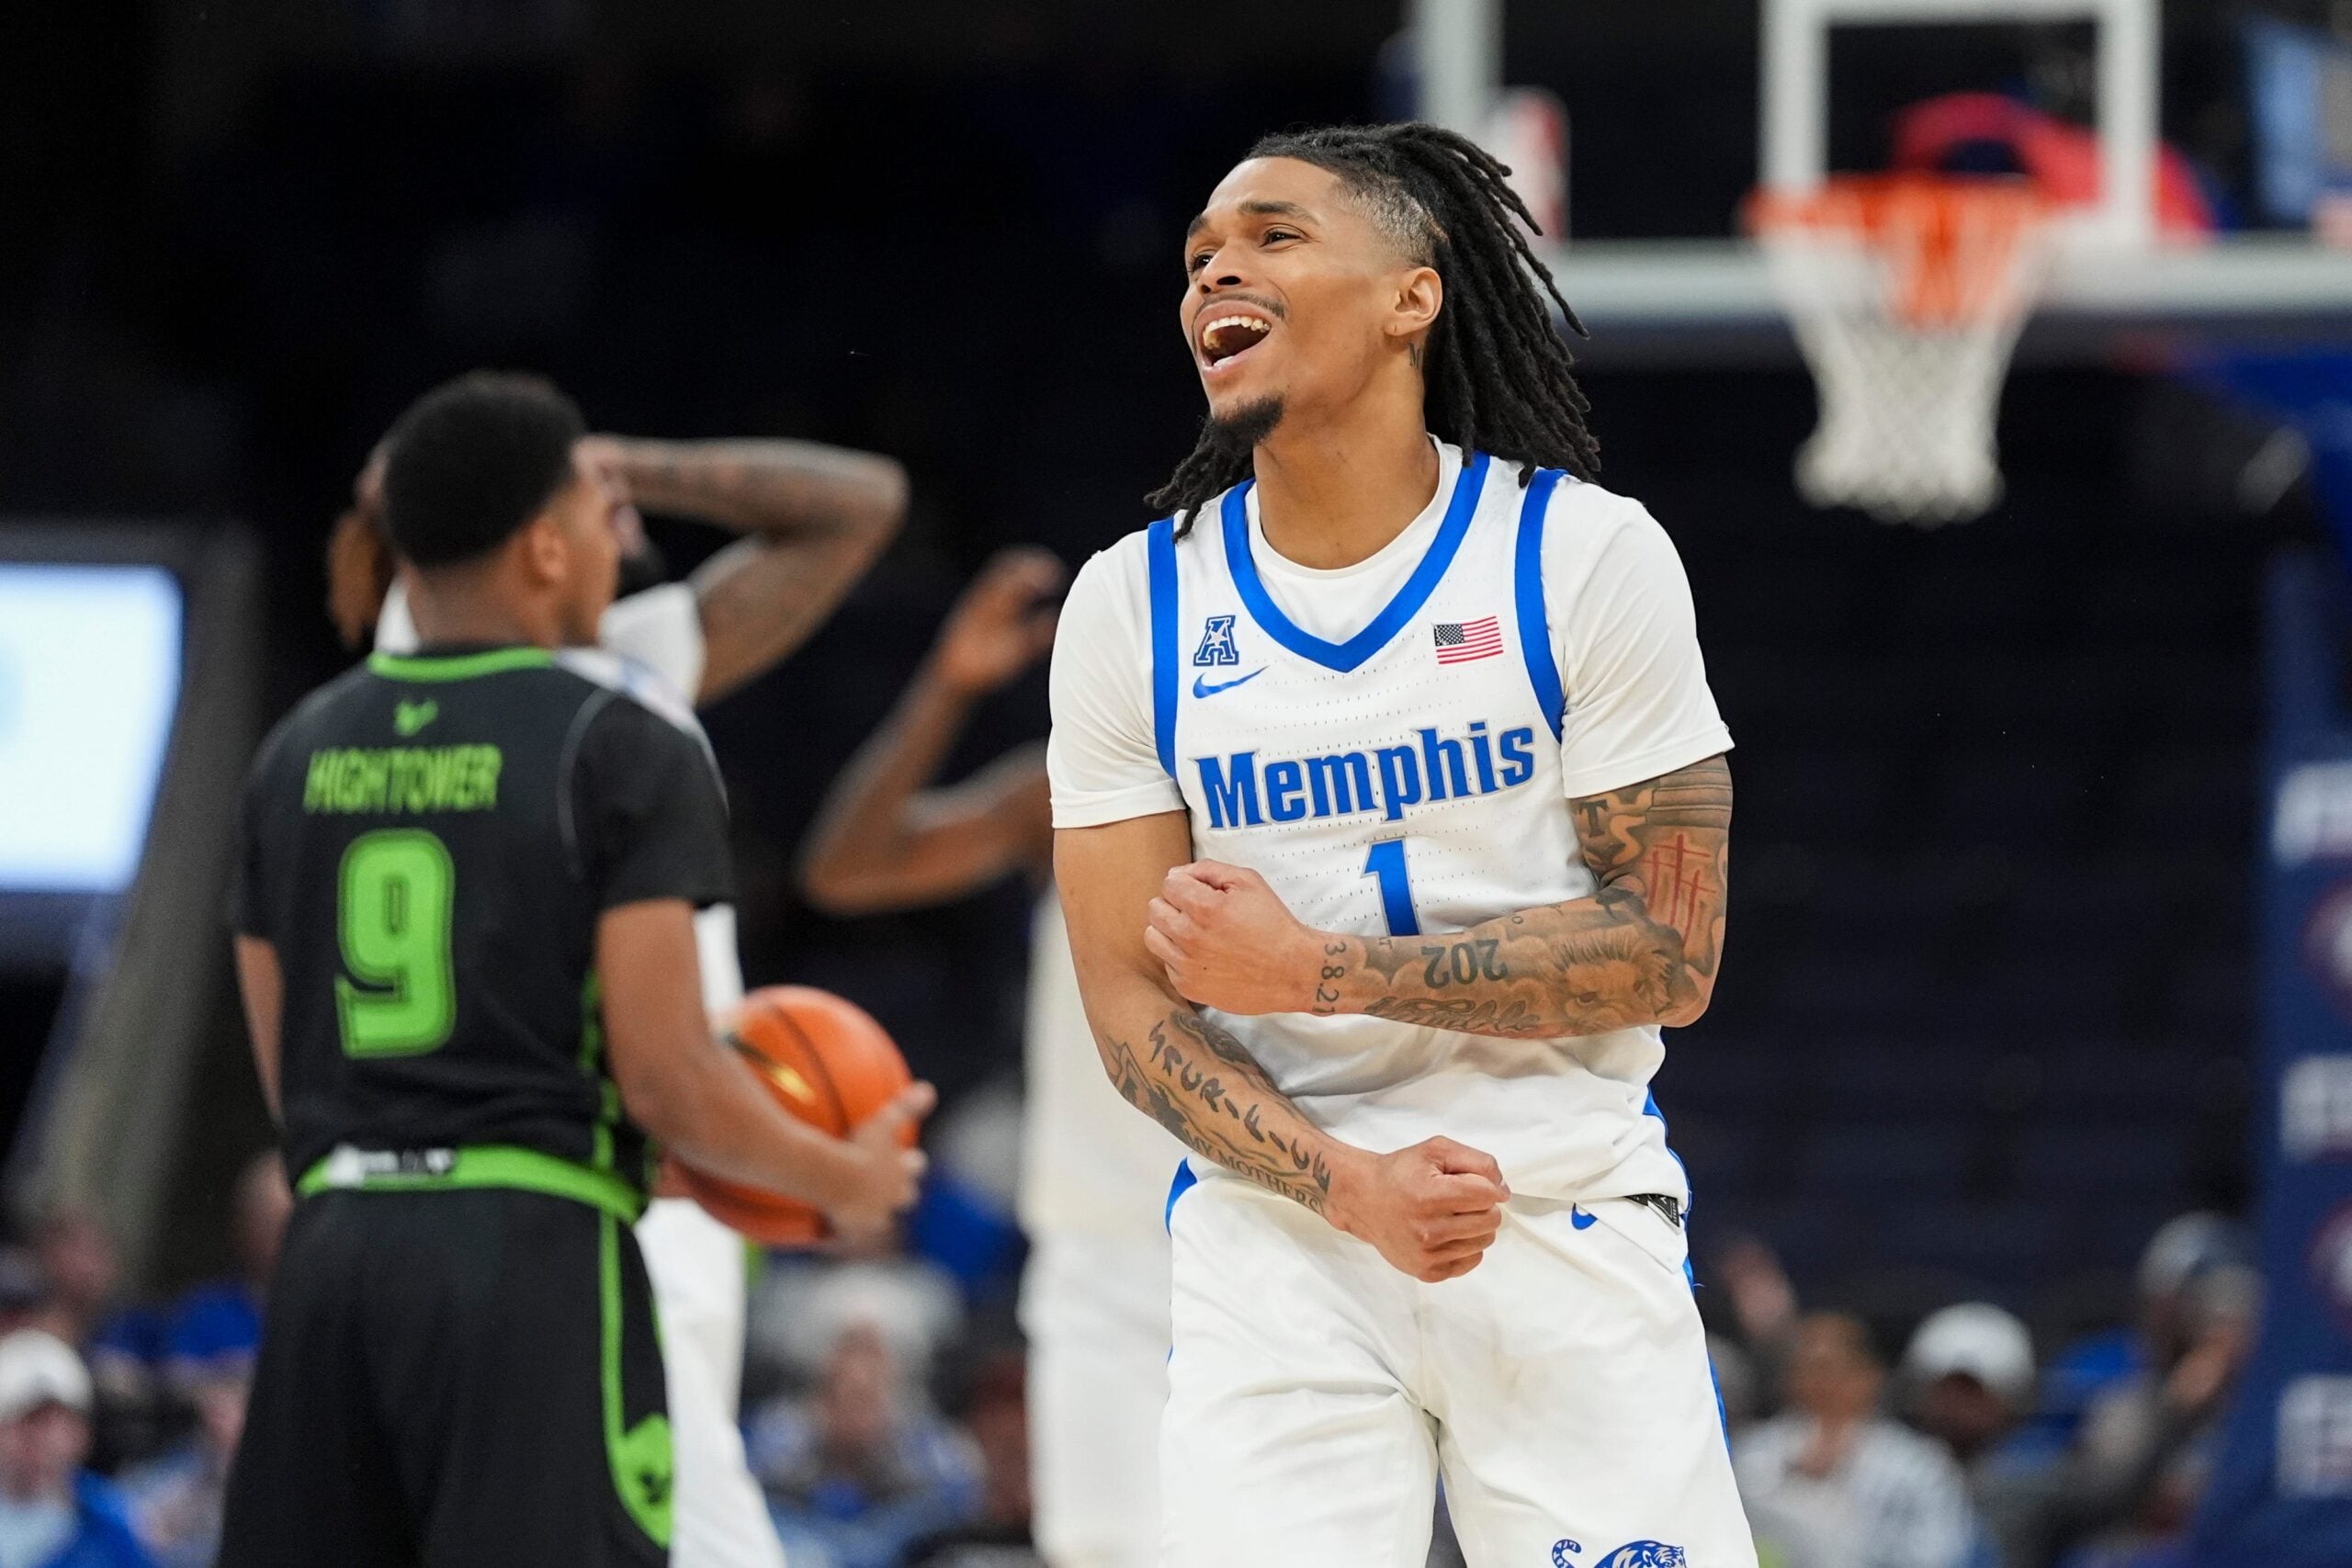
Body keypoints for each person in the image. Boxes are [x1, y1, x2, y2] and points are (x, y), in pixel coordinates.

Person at [1048, 120, 1747, 1564]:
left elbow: (1672, 952)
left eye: (1273, 236)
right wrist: (1349, 1185)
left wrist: (1320, 968)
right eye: (1198, 256)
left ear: (1410, 296)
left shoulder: (1582, 555)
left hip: (1560, 1204)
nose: (1214, 273)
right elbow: (1129, 1011)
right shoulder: (1132, 605)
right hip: (1279, 1230)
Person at [220, 370, 930, 1566]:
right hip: (534, 1245)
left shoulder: (296, 748)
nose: (622, 536)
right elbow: (664, 1077)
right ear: (545, 545)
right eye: (602, 511)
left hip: (337, 1247)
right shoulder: (619, 736)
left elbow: (295, 1085)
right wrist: (835, 1176)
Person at [798, 546, 1187, 1568]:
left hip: (1276, 1232)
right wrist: (947, 686)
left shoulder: (1315, 789)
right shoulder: (1062, 794)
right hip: (1104, 1255)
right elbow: (846, 868)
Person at [1736, 1314, 1979, 1568]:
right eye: (1808, 1368)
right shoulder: (1754, 1450)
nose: (1823, 1383)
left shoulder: (1918, 1464)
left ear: (1871, 1375)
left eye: (1832, 1369)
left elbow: (1940, 1554)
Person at [747, 1321, 983, 1568]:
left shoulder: (929, 1450)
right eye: (840, 1394)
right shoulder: (777, 1440)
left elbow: (962, 1497)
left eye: (866, 1397)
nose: (853, 1413)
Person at [0, 1329, 153, 1568]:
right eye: (27, 1423)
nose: (42, 1441)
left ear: (82, 1434)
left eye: (57, 1423)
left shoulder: (113, 1524)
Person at [116, 1310, 255, 1568]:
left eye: (233, 1407)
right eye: (214, 1408)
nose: (219, 1419)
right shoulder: (178, 1474)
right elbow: (134, 1530)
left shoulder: (276, 1477)